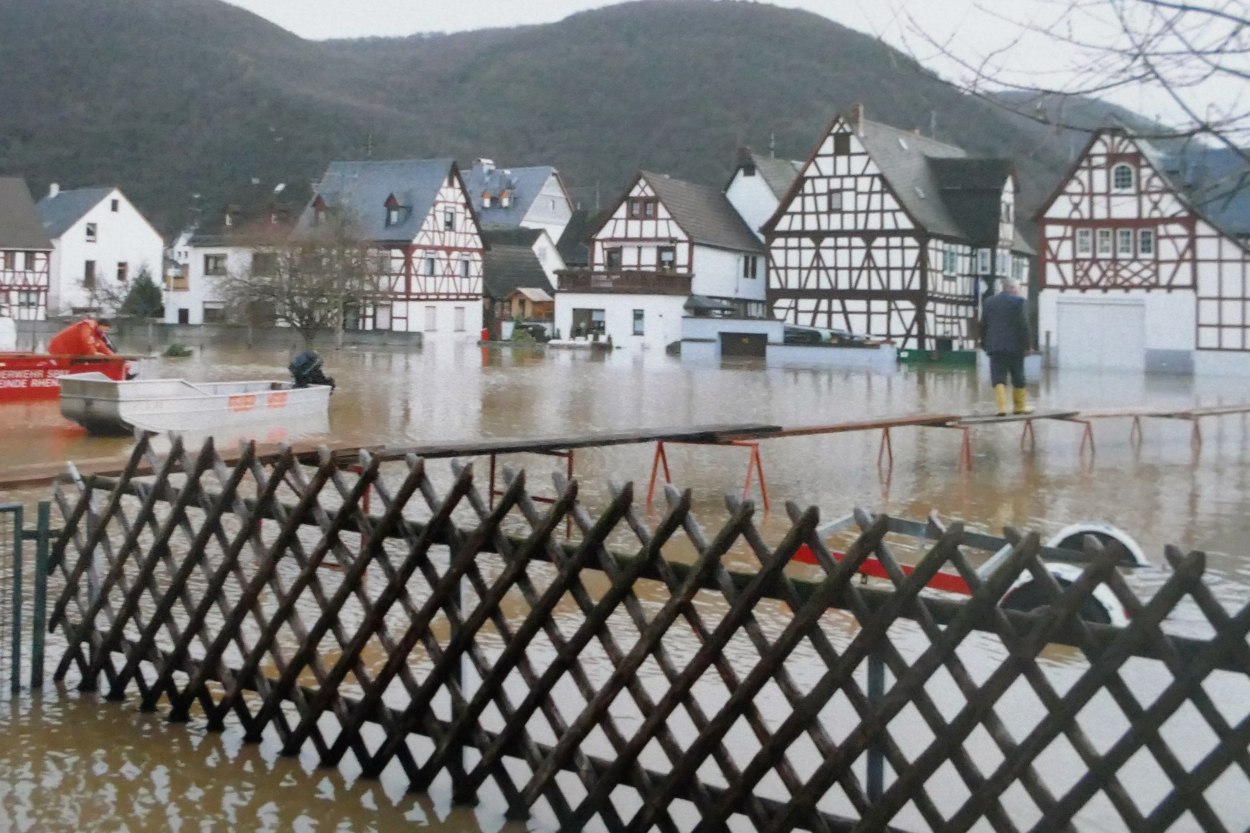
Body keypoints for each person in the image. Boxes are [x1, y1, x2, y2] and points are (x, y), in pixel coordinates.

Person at [980, 278, 1033, 416]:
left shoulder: (988, 302)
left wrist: (984, 344)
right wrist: (1028, 346)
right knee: (1018, 376)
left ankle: (1001, 408)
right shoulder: (1019, 302)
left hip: (995, 346)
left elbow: (983, 324)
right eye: (1018, 288)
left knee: (998, 376)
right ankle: (1019, 407)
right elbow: (1024, 325)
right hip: (1015, 346)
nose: (1018, 290)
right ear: (1012, 288)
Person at [46, 316, 117, 356]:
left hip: (68, 353)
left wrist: (113, 356)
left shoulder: (96, 335)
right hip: (58, 348)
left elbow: (101, 346)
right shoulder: (87, 325)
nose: (104, 332)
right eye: (105, 329)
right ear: (101, 325)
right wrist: (94, 353)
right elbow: (86, 339)